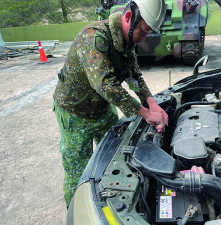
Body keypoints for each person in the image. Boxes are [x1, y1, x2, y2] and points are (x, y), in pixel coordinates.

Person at [53, 0, 168, 207]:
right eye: (143, 31)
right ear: (128, 18)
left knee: (115, 156)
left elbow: (134, 76)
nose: (144, 38)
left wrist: (152, 102)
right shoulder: (94, 37)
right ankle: (76, 209)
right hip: (75, 113)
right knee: (78, 169)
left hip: (102, 108)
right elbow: (105, 84)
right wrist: (144, 113)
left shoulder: (127, 43)